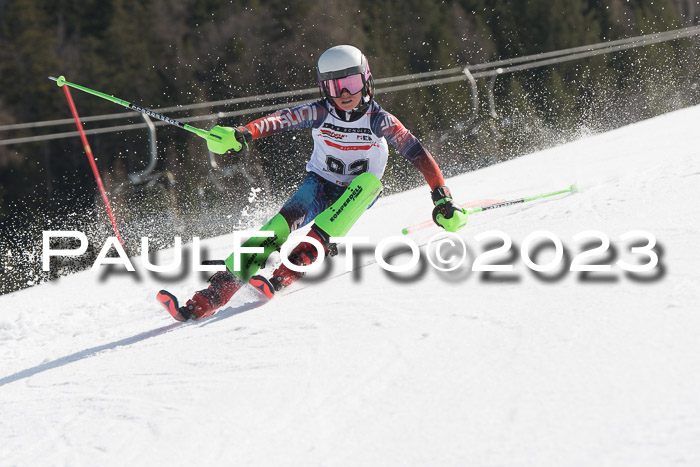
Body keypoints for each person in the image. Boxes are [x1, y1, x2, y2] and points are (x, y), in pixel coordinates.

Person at [160, 45, 468, 321]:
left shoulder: (380, 120)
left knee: (368, 183)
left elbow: (418, 154)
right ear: (324, 88)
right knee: (277, 229)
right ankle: (209, 297)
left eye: (351, 83)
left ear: (366, 81)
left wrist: (442, 197)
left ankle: (288, 270)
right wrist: (244, 133)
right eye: (335, 87)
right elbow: (280, 120)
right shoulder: (319, 111)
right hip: (319, 184)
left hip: (356, 193)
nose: (344, 93)